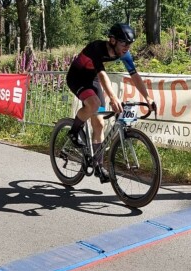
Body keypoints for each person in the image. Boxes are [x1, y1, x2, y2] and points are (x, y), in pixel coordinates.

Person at [65, 23, 156, 183]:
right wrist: (113, 98)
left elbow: (134, 76)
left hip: (92, 79)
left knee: (99, 124)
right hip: (77, 77)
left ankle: (98, 165)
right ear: (113, 41)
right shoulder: (97, 48)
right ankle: (73, 131)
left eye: (129, 44)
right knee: (93, 104)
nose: (127, 47)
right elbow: (102, 75)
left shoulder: (123, 53)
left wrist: (147, 97)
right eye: (124, 43)